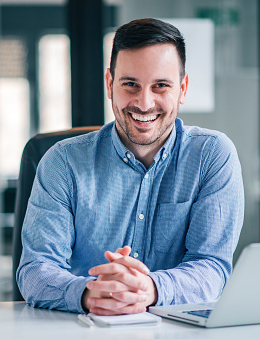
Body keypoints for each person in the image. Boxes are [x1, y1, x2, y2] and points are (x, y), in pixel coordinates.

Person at [17, 18, 244, 315]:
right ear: (110, 84)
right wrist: (93, 294)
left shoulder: (213, 156)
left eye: (160, 86)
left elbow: (212, 266)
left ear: (183, 88)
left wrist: (149, 289)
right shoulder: (62, 163)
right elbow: (36, 270)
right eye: (130, 85)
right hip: (83, 329)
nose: (144, 102)